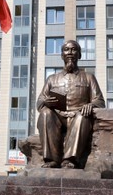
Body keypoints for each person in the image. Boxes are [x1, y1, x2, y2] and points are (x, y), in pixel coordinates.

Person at [36, 39, 105, 169]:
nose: (70, 52)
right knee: (45, 113)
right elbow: (39, 103)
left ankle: (70, 160)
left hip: (79, 117)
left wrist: (91, 105)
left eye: (74, 49)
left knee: (82, 116)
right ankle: (52, 160)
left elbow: (100, 101)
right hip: (57, 117)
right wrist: (45, 102)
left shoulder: (89, 77)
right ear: (62, 55)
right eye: (66, 50)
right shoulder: (52, 79)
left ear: (79, 55)